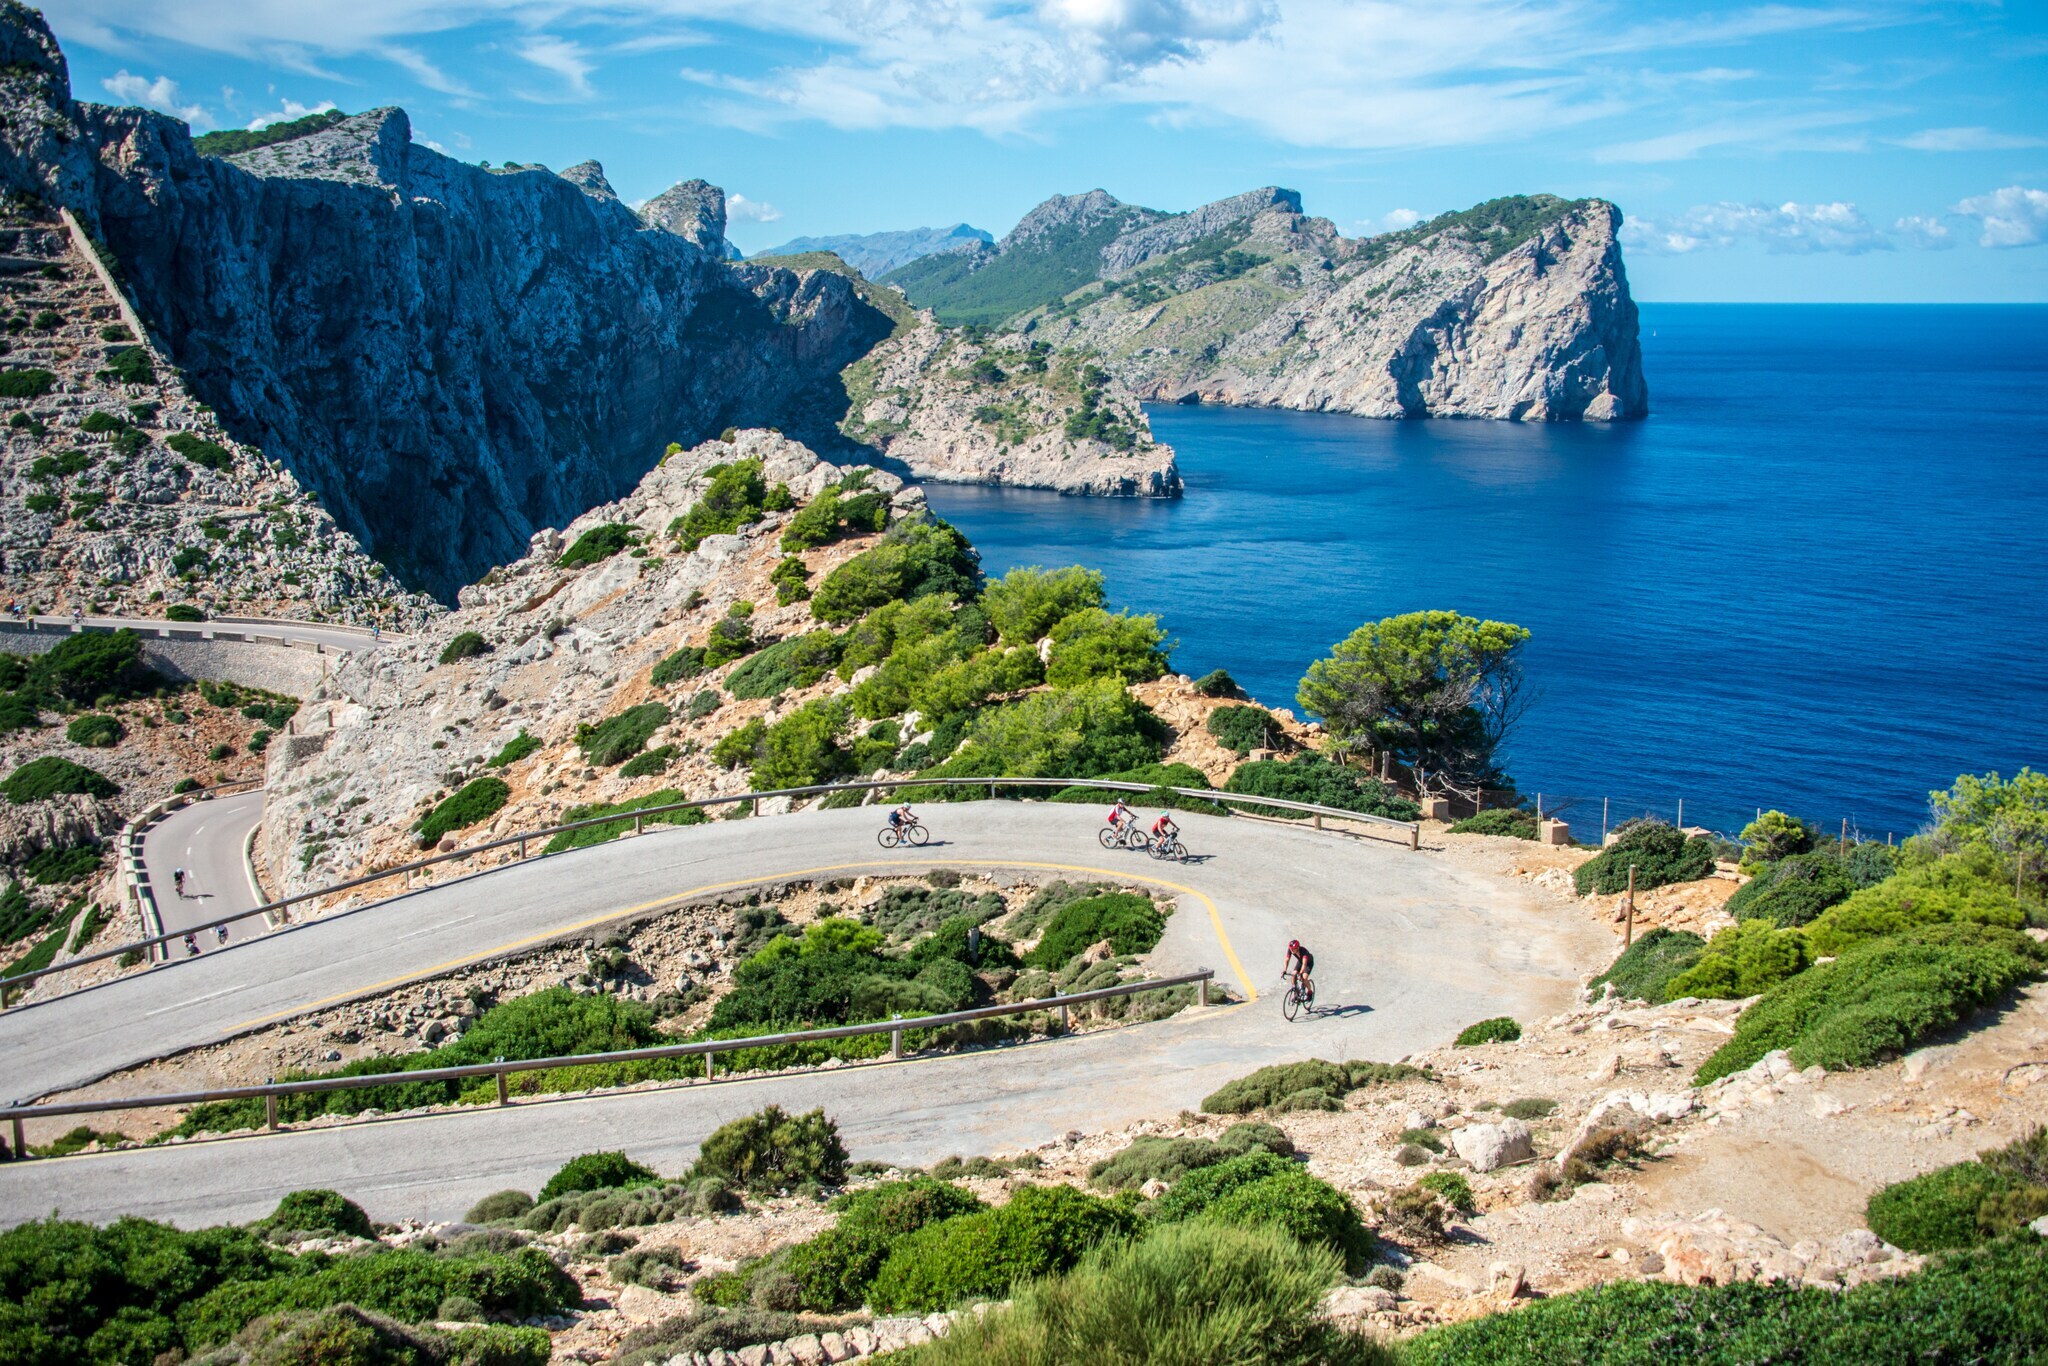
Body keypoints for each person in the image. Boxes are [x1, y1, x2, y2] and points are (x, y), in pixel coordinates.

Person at [1283, 938, 1315, 1002]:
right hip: (1300, 961)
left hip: (1308, 963)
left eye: (1293, 949)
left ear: (1297, 948)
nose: (1291, 950)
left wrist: (1300, 973)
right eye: (1290, 949)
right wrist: (1284, 970)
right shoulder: (1290, 949)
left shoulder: (1304, 951)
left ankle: (1310, 992)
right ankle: (1296, 993)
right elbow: (1287, 960)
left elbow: (1304, 964)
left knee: (1304, 977)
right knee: (1293, 975)